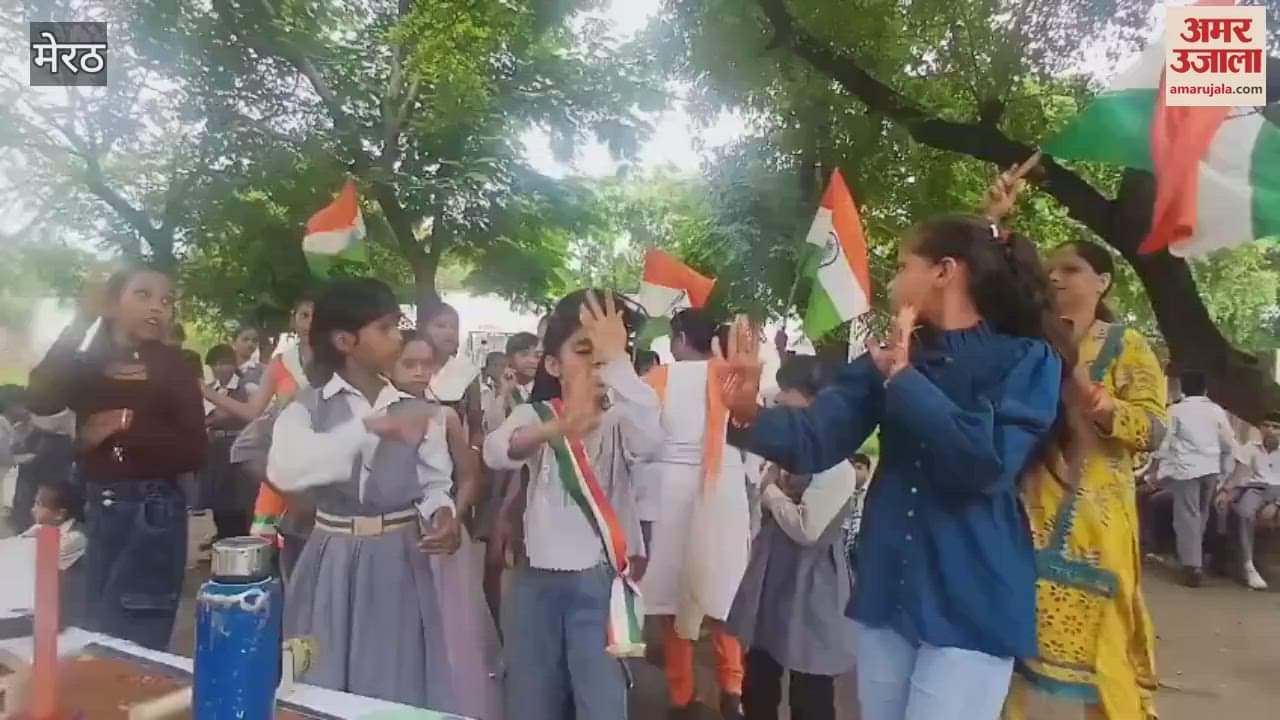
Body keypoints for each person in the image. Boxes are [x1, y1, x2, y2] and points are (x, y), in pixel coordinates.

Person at [719, 214, 1066, 720]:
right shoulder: (888, 360)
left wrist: (904, 380)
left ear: (945, 271)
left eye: (904, 265)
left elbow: (987, 464)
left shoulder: (1028, 361)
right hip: (888, 592)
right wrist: (749, 413)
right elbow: (816, 439)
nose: (892, 281)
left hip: (971, 598)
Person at [268, 278, 460, 707]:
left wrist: (442, 513)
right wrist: (366, 429)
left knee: (395, 673)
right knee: (325, 673)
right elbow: (286, 468)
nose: (398, 337)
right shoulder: (306, 406)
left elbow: (434, 483)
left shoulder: (418, 409)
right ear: (345, 340)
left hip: (399, 556)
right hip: (331, 556)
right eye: (387, 328)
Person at [1009, 238, 1168, 720]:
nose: (1055, 277)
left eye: (1071, 269)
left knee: (1108, 652)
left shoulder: (1126, 345)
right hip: (1023, 510)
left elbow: (1153, 429)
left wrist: (1097, 402)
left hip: (1096, 526)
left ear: (1102, 282)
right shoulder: (1026, 340)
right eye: (1051, 268)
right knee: (1008, 649)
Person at [484, 289, 661, 720]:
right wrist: (557, 430)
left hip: (600, 584)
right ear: (552, 364)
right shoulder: (537, 415)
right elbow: (495, 450)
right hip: (534, 584)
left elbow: (652, 438)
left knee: (600, 700)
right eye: (585, 351)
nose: (597, 363)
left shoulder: (624, 418)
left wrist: (617, 362)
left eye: (609, 354)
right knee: (530, 696)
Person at [27, 264, 207, 650]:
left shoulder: (173, 366)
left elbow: (195, 448)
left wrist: (124, 426)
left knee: (133, 637)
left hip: (152, 512)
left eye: (166, 300)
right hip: (96, 508)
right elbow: (41, 397)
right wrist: (81, 320)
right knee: (89, 634)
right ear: (111, 304)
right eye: (143, 295)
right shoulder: (87, 365)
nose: (157, 308)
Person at [728, 355, 857, 720]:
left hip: (812, 586)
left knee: (810, 688)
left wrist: (770, 491)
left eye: (788, 390)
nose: (780, 398)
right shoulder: (788, 450)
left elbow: (808, 530)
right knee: (761, 675)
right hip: (774, 577)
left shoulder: (836, 467)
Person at [640, 307, 751, 719]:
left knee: (673, 600)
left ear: (681, 338)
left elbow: (640, 441)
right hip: (726, 486)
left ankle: (681, 696)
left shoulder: (658, 380)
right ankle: (733, 689)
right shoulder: (736, 376)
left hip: (670, 492)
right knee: (725, 596)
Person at [393, 332, 503, 719]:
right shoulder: (369, 416)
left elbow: (470, 474)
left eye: (428, 364)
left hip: (439, 531)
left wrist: (455, 514)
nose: (421, 373)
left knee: (447, 632)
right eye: (409, 363)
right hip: (391, 533)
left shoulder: (444, 415)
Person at [204, 295, 314, 574]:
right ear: (294, 319)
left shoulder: (342, 360)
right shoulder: (281, 363)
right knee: (280, 560)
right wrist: (204, 392)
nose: (311, 323)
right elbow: (253, 411)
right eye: (305, 315)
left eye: (319, 316)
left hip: (327, 465)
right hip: (284, 465)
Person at [1152, 369, 1235, 587]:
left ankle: (1192, 565)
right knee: (1201, 514)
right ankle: (1194, 558)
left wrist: (1156, 468)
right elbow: (1228, 443)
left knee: (1186, 516)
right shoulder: (1216, 411)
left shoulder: (1175, 411)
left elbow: (1165, 442)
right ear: (1205, 389)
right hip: (1210, 469)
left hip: (1186, 470)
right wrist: (1225, 472)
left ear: (1183, 388)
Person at [202, 344, 254, 541]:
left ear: (233, 365)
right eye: (215, 364)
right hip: (216, 452)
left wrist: (213, 419)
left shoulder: (245, 387)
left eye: (224, 363)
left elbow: (247, 414)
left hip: (238, 448)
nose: (220, 368)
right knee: (219, 503)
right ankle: (222, 539)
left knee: (240, 502)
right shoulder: (212, 388)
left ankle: (241, 541)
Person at [1231, 413, 1280, 590]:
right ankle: (1248, 565)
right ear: (1260, 428)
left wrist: (1276, 504)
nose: (1271, 430)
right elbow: (1239, 474)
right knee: (1243, 513)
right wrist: (1226, 491)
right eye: (1267, 426)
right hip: (1256, 488)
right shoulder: (1251, 447)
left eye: (1276, 427)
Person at [21, 480, 88, 571]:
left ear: (59, 514)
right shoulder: (40, 529)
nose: (33, 509)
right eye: (34, 503)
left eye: (39, 505)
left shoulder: (75, 538)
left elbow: (40, 560)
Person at [843, 452, 873, 568]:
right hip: (841, 537)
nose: (854, 472)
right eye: (852, 468)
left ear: (868, 471)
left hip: (861, 539)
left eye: (859, 468)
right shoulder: (840, 491)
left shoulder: (873, 492)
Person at [230, 323, 264, 392]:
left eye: (254, 340)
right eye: (245, 339)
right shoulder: (223, 368)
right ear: (233, 342)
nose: (250, 344)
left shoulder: (263, 371)